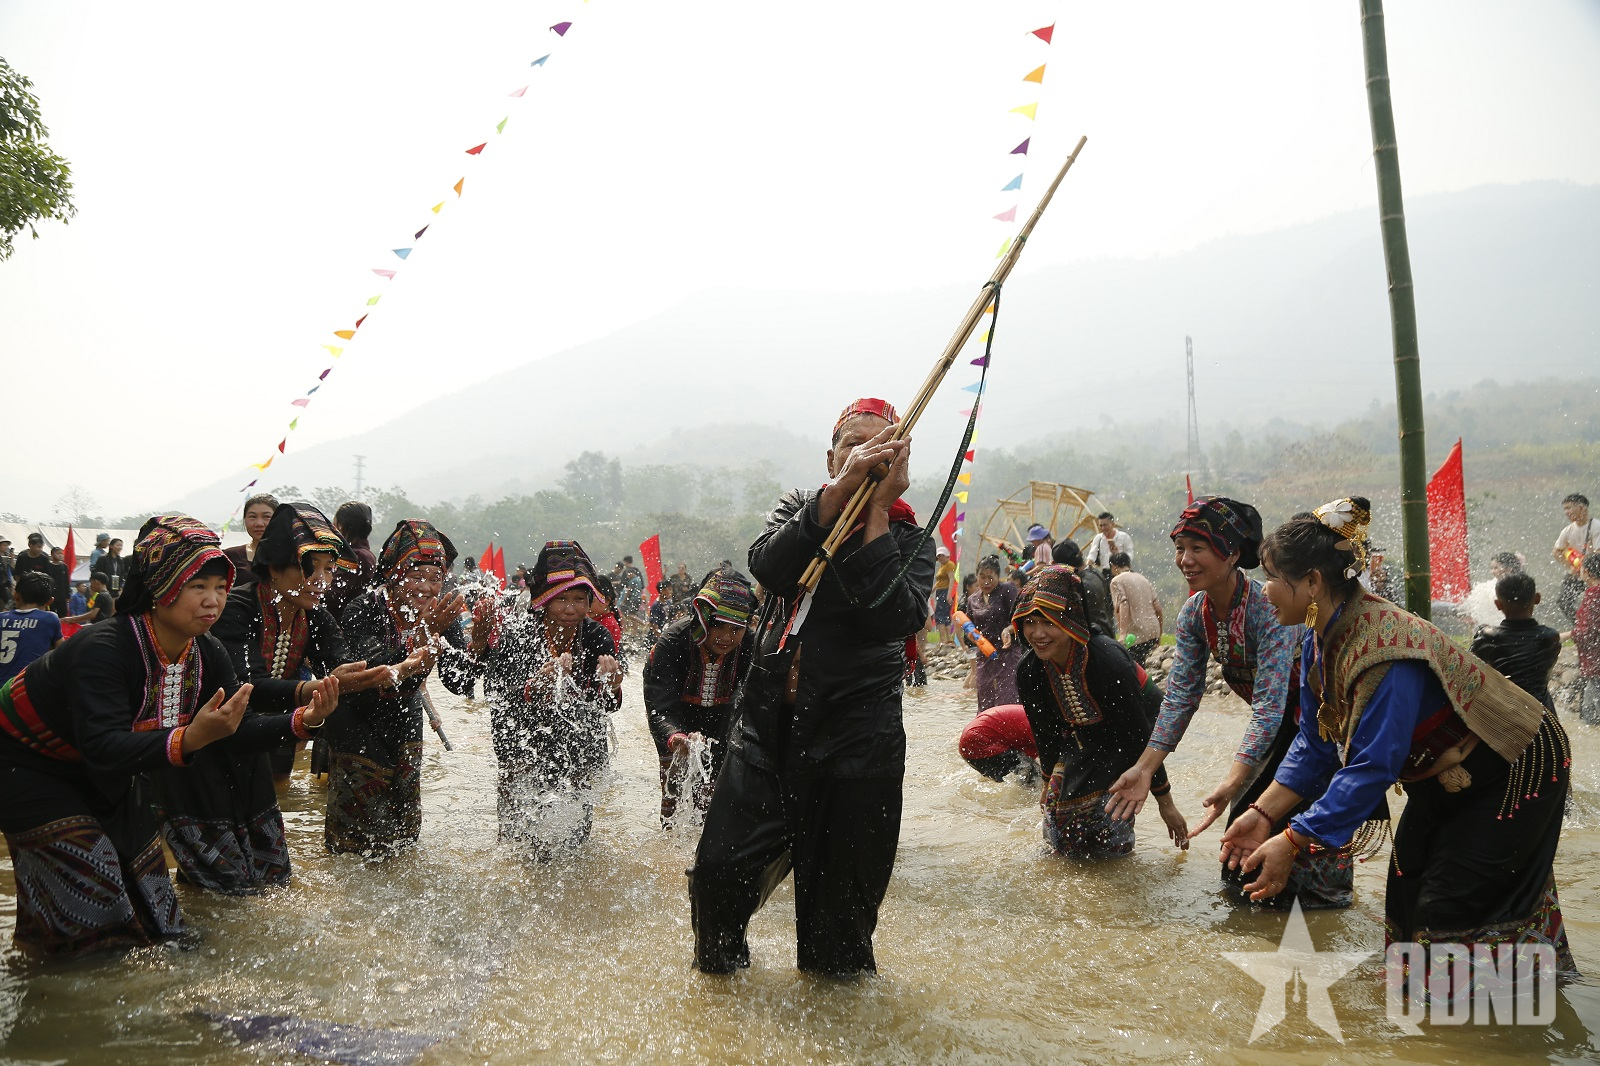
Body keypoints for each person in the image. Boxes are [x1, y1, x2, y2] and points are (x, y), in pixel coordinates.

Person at [1221, 498, 1575, 977]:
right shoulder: (1316, 636)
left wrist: (1293, 840)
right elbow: (1315, 743)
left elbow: (1371, 768)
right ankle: (1443, 1009)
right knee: (1407, 895)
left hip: (1515, 764)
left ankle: (1485, 1025)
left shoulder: (1386, 651)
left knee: (1447, 909)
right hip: (1445, 771)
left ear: (1312, 583)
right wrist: (1263, 814)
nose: (1264, 592)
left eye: (1273, 579)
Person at [0, 515, 334, 954]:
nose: (213, 601)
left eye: (219, 587)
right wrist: (190, 739)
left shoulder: (206, 650)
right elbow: (103, 745)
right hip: (27, 763)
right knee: (87, 885)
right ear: (161, 588)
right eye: (198, 588)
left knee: (152, 893)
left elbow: (235, 728)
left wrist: (304, 720)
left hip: (111, 766)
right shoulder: (103, 649)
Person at [690, 397, 934, 976]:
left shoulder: (911, 540)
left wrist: (875, 512)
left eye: (885, 444)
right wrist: (837, 501)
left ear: (902, 466)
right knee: (717, 881)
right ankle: (722, 1007)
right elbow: (770, 568)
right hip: (766, 734)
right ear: (832, 457)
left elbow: (889, 617)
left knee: (838, 938)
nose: (868, 453)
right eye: (855, 443)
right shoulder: (799, 510)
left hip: (858, 745)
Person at [1108, 495, 1359, 910]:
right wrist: (1144, 767)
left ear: (1232, 554)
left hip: (1318, 731)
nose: (1184, 560)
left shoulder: (1269, 607)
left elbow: (1270, 704)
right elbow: (1181, 697)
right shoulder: (1194, 614)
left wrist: (1233, 779)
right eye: (1179, 549)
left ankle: (1320, 920)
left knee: (1301, 847)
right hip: (1278, 732)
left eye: (1197, 548)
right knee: (1238, 864)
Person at [442, 541, 620, 852]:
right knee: (518, 840)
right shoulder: (518, 634)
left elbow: (606, 705)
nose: (570, 608)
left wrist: (613, 684)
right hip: (522, 743)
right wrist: (534, 687)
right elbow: (496, 693)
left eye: (579, 599)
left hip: (577, 745)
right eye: (561, 598)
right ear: (542, 600)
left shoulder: (596, 636)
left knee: (574, 840)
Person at [1013, 566, 1188, 857]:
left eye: (1049, 622)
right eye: (1030, 622)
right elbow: (1045, 734)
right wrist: (1047, 783)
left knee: (1107, 813)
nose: (1038, 633)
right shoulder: (1029, 671)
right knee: (1059, 817)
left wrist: (1165, 801)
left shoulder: (1107, 661)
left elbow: (1138, 733)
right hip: (1084, 732)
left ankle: (1117, 861)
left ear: (1070, 620)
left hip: (1137, 728)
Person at [211, 503, 390, 785]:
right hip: (221, 731)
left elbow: (343, 668)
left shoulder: (315, 616)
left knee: (277, 795)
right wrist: (321, 687)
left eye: (329, 569)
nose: (322, 581)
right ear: (274, 567)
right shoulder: (236, 608)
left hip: (281, 723)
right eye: (309, 568)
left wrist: (396, 667)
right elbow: (245, 686)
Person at [323, 520, 465, 857]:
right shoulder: (364, 608)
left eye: (435, 579)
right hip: (358, 720)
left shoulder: (442, 614)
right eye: (417, 577)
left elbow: (458, 682)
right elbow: (374, 671)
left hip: (406, 720)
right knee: (356, 841)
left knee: (403, 831)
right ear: (394, 575)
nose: (427, 588)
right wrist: (419, 639)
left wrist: (476, 644)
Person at [644, 572, 756, 825]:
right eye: (719, 626)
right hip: (676, 712)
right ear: (703, 619)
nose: (727, 637)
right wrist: (675, 736)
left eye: (736, 628)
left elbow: (749, 702)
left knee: (712, 791)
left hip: (722, 712)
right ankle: (669, 835)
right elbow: (661, 707)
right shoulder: (672, 642)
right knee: (673, 785)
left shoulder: (750, 644)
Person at [1472, 572, 1561, 711]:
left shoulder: (1486, 638)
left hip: (1502, 715)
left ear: (1498, 604)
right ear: (1537, 598)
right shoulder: (1550, 638)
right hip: (1543, 716)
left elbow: (1473, 675)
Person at [965, 555, 1024, 710]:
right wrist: (971, 635)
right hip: (984, 655)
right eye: (982, 577)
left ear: (998, 577)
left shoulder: (1007, 590)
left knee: (1007, 698)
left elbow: (1020, 618)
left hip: (1008, 652)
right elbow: (969, 626)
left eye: (990, 578)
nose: (986, 582)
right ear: (976, 576)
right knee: (985, 701)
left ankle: (1012, 732)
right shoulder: (972, 600)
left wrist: (1008, 629)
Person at [0, 572, 62, 683]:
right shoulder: (49, 618)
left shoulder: (1, 617)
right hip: (26, 688)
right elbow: (62, 652)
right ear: (50, 601)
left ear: (16, 595)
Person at [958, 703, 1039, 782]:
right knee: (1030, 774)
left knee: (1028, 772)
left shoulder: (1037, 716)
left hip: (973, 739)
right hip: (980, 741)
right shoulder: (1039, 726)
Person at [1050, 540, 1116, 635]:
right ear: (1080, 553)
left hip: (1093, 641)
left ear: (1057, 565)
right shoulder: (1096, 573)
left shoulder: (1079, 586)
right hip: (1107, 636)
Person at [1553, 493, 1600, 624]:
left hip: (1595, 573)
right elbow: (1556, 551)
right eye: (1565, 509)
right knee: (1563, 601)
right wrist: (1570, 567)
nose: (1566, 512)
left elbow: (1598, 554)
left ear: (1582, 508)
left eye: (1569, 508)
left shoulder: (1596, 527)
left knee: (1595, 602)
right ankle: (1581, 627)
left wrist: (1585, 567)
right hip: (1577, 572)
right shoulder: (1567, 530)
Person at [325, 501, 377, 618]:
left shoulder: (355, 556)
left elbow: (334, 596)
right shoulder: (367, 555)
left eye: (334, 524)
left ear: (341, 526)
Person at [1109, 551, 1163, 664]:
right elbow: (1158, 608)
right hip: (1153, 632)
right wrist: (1159, 634)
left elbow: (1123, 604)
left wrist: (1123, 633)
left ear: (1114, 567)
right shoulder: (1142, 578)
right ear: (1129, 565)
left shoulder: (1116, 581)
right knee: (1144, 669)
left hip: (1135, 634)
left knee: (1134, 670)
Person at [1569, 554, 1600, 726]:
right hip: (1595, 664)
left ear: (1587, 572)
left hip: (1596, 663)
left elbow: (1588, 631)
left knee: (1592, 713)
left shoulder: (1594, 593)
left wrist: (1565, 636)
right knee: (1589, 712)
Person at [1458, 551, 1525, 629]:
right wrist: (1473, 614)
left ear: (1509, 569)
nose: (1492, 572)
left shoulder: (1517, 586)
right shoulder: (1488, 586)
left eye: (1496, 568)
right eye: (1492, 568)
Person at [224, 493, 279, 584]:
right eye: (253, 517)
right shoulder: (230, 556)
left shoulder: (291, 555)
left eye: (266, 517)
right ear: (244, 519)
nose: (259, 523)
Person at [931, 545, 956, 643]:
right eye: (939, 556)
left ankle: (943, 640)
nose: (940, 558)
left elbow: (951, 579)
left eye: (942, 555)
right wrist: (932, 590)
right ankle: (948, 639)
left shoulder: (950, 565)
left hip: (945, 591)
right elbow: (939, 581)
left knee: (940, 615)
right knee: (944, 614)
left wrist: (949, 594)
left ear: (946, 555)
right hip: (940, 591)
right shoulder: (942, 566)